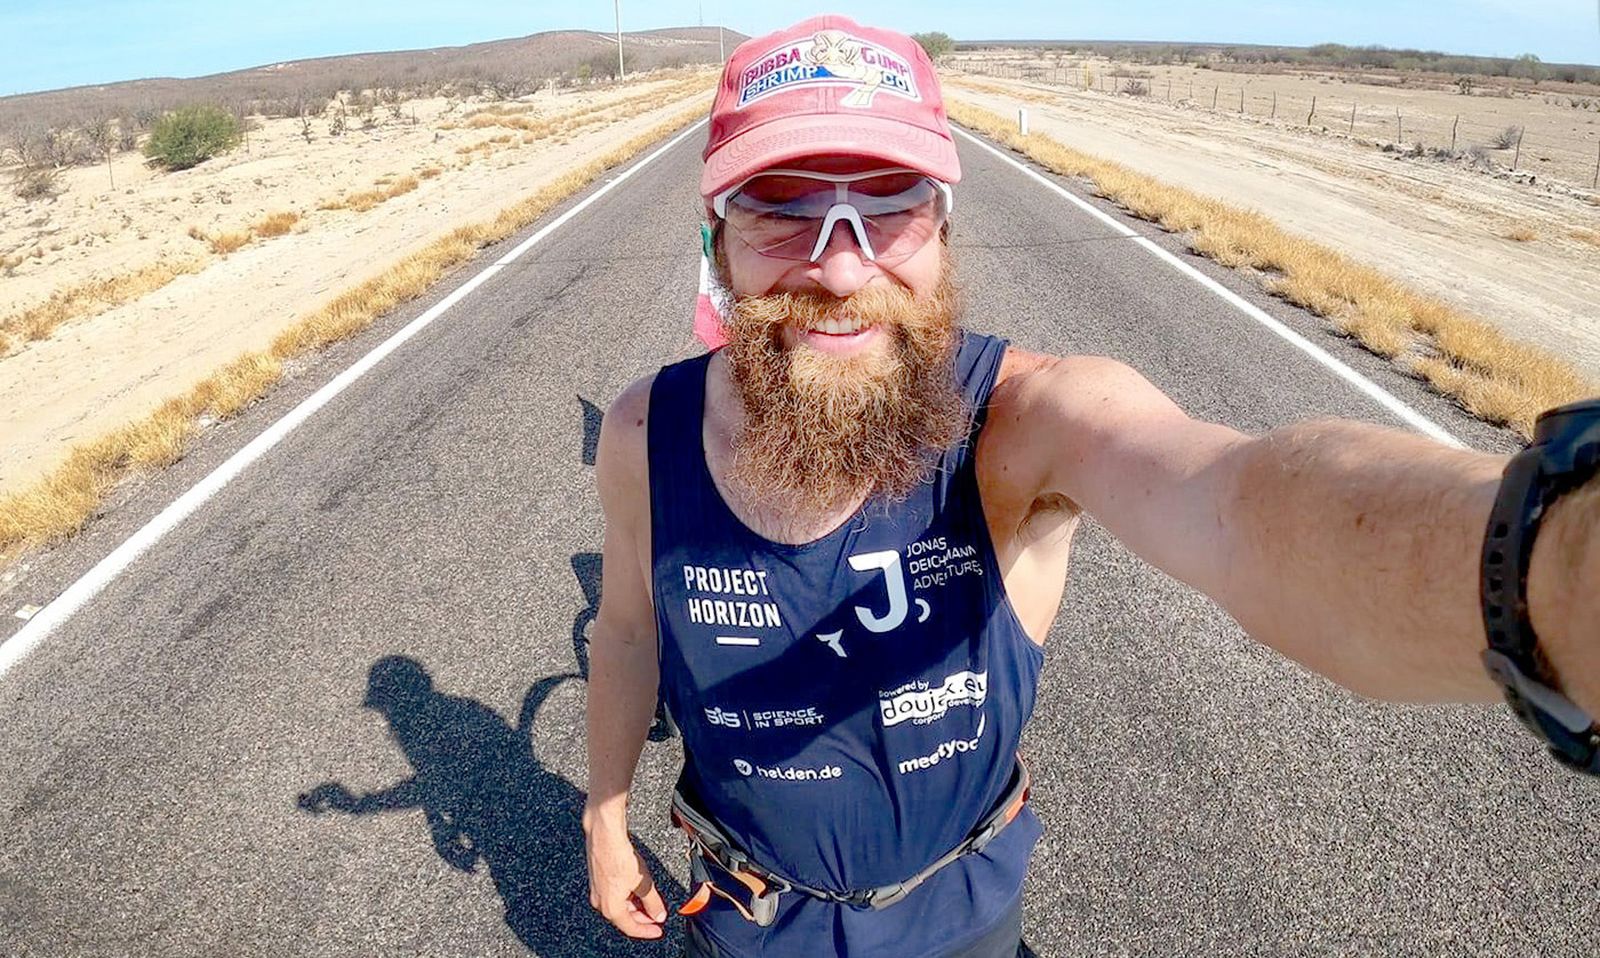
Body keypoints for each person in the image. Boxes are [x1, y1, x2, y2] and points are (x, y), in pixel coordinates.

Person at [583, 14, 1599, 958]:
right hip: (746, 919)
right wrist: (604, 811)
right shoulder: (644, 432)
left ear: (940, 233)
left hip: (960, 918)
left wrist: (1554, 567)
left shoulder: (1018, 423)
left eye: (887, 210)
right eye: (781, 210)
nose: (841, 272)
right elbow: (628, 628)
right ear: (715, 235)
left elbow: (1240, 507)